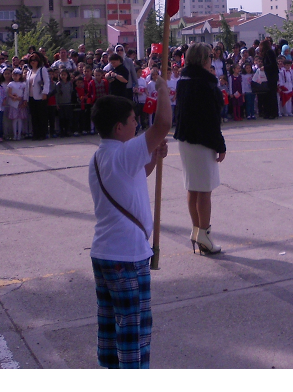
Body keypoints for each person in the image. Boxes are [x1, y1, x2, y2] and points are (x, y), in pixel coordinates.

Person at [87, 72, 171, 369]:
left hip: (104, 253)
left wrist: (152, 157)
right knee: (134, 334)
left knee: (111, 328)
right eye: (134, 120)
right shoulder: (123, 152)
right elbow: (162, 124)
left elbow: (137, 176)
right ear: (119, 127)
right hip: (126, 256)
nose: (138, 124)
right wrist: (162, 89)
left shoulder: (101, 156)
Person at [173, 43, 226, 256]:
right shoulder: (205, 83)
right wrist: (220, 145)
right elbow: (211, 118)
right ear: (204, 60)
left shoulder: (183, 81)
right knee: (204, 189)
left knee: (192, 187)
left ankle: (197, 231)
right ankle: (204, 232)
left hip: (186, 139)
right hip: (202, 140)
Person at [26, 56, 51, 139]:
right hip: (31, 97)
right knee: (34, 116)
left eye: (35, 60)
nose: (33, 62)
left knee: (41, 116)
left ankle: (42, 134)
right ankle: (35, 134)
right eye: (31, 60)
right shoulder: (29, 72)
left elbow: (47, 82)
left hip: (40, 96)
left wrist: (45, 93)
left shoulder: (42, 69)